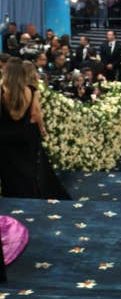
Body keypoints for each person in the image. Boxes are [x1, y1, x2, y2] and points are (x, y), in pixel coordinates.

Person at [0, 57, 68, 199]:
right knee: (26, 168)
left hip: (4, 137)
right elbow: (35, 113)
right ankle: (29, 195)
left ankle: (10, 195)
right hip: (24, 135)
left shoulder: (2, 90)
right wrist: (42, 129)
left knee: (8, 169)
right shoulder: (31, 90)